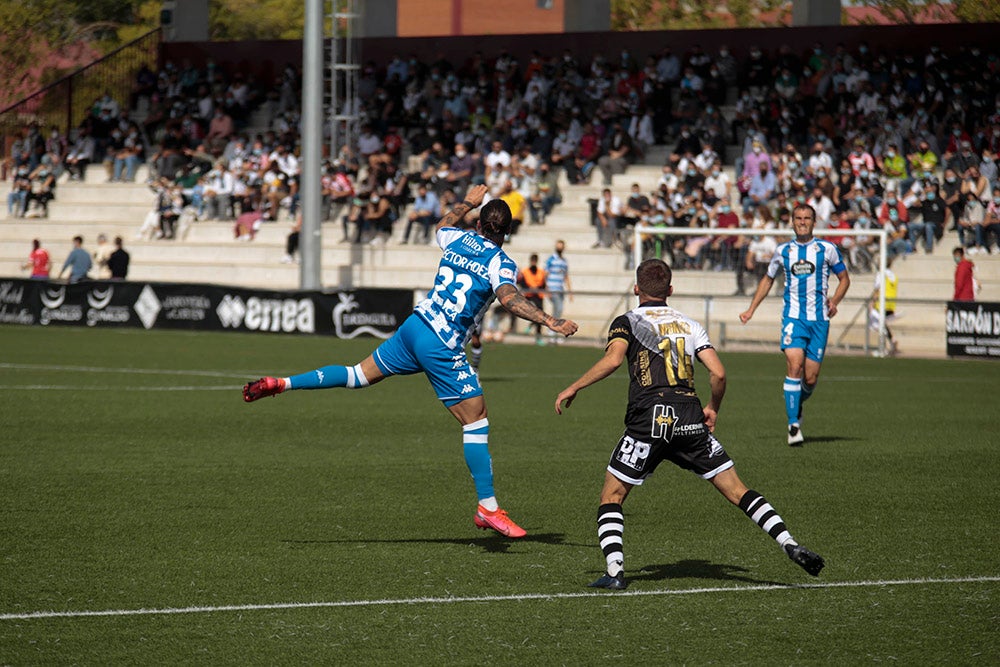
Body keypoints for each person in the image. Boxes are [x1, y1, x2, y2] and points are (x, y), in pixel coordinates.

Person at [243, 185, 579, 538]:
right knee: (476, 420)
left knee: (358, 375)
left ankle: (283, 383)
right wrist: (550, 321)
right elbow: (510, 299)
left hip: (415, 326)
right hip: (441, 342)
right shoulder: (501, 262)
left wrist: (467, 200)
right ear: (507, 232)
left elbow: (442, 222)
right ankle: (488, 507)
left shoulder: (456, 238)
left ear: (479, 223)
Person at [555, 259, 825, 590]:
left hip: (649, 418)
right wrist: (713, 408)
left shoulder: (627, 321)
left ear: (636, 288)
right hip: (690, 418)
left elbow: (613, 360)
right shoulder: (689, 324)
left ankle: (615, 572)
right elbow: (719, 373)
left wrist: (574, 386)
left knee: (612, 496)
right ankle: (788, 543)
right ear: (670, 290)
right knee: (738, 490)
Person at [739, 204, 851, 446]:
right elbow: (767, 280)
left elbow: (844, 279)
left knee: (810, 379)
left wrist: (835, 301)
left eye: (807, 218)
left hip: (819, 321)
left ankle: (796, 402)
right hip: (793, 318)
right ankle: (793, 426)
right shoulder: (783, 251)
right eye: (798, 218)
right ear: (792, 222)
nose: (802, 222)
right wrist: (751, 309)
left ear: (814, 221)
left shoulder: (827, 249)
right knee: (794, 365)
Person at [544, 240, 572, 341]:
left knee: (558, 310)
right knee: (558, 309)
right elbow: (545, 274)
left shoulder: (564, 261)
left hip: (560, 289)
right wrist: (547, 289)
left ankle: (554, 333)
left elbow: (566, 276)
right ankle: (552, 332)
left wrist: (570, 291)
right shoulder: (551, 259)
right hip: (553, 288)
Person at [517, 253, 547, 344]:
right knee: (528, 312)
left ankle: (537, 335)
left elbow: (543, 284)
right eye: (532, 261)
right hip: (528, 295)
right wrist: (530, 288)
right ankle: (530, 325)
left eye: (535, 261)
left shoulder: (541, 272)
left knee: (541, 315)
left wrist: (537, 288)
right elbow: (522, 283)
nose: (533, 263)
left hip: (538, 296)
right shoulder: (525, 271)